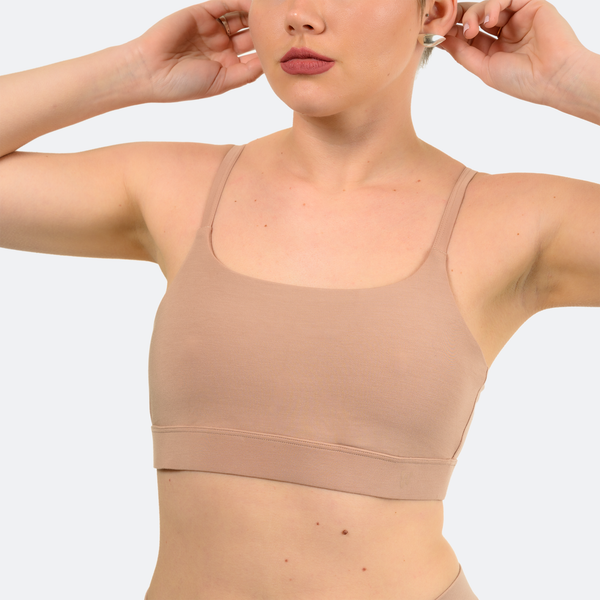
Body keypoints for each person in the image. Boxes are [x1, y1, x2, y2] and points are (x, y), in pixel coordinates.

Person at [0, 0, 598, 598]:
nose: (300, 15)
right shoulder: (172, 187)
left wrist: (574, 79)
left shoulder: (518, 220)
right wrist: (131, 69)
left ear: (435, 12)